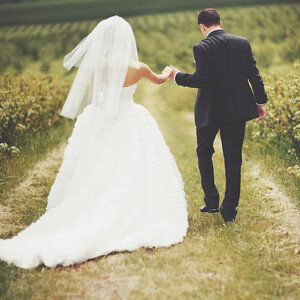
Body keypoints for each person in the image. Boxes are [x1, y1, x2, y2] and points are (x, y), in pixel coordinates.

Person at [0, 16, 188, 269]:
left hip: (100, 119)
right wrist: (168, 71)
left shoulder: (98, 66)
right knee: (130, 164)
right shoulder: (139, 67)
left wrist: (98, 120)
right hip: (129, 118)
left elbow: (93, 99)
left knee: (97, 165)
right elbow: (159, 80)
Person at [169, 8, 267, 223]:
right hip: (237, 109)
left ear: (202, 27)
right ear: (220, 22)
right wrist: (260, 102)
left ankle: (211, 200)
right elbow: (254, 74)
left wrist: (177, 76)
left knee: (204, 152)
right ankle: (229, 210)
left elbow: (200, 79)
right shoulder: (242, 42)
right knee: (234, 159)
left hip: (209, 110)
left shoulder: (201, 47)